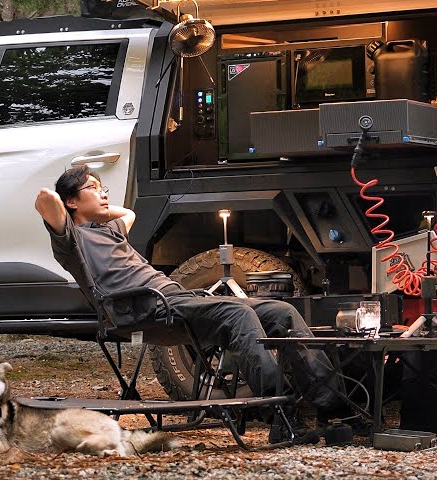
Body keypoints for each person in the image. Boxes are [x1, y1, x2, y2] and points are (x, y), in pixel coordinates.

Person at [34, 165, 345, 440]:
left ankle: (333, 409)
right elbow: (45, 197)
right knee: (235, 313)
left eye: (104, 188)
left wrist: (100, 206)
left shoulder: (110, 230)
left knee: (282, 312)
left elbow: (129, 214)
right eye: (93, 188)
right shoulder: (71, 240)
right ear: (71, 201)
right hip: (146, 309)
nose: (102, 194)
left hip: (178, 299)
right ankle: (281, 416)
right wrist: (76, 196)